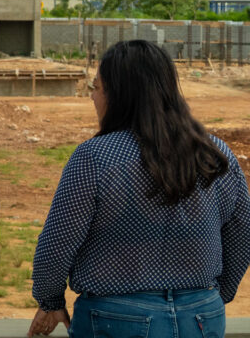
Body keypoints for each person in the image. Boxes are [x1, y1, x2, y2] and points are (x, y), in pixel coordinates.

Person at [29, 40, 250, 337]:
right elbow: (242, 235)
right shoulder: (216, 154)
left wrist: (50, 300)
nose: (92, 97)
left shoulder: (94, 157)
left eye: (96, 87)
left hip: (115, 318)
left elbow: (57, 243)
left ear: (118, 94)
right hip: (202, 315)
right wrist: (211, 298)